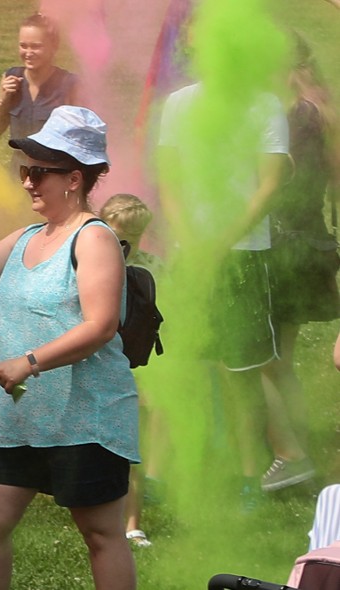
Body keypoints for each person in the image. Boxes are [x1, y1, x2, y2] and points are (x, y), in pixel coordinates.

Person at [0, 105, 139, 590]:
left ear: (74, 178)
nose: (27, 182)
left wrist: (30, 361)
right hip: (22, 420)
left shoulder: (94, 238)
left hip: (86, 417)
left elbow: (102, 325)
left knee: (101, 534)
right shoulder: (25, 238)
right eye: (25, 170)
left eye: (39, 172)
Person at [157, 34, 290, 507]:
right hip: (189, 255)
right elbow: (168, 179)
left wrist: (222, 241)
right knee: (180, 367)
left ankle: (249, 476)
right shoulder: (178, 104)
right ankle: (178, 472)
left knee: (242, 373)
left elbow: (270, 184)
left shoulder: (265, 105)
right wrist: (192, 241)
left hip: (245, 256)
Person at [259, 30, 339, 492]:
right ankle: (298, 447)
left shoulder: (284, 113)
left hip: (282, 247)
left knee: (264, 359)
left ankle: (292, 454)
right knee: (280, 359)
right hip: (311, 245)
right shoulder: (319, 109)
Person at [99, 193, 165, 549]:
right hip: (98, 366)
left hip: (138, 366)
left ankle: (132, 523)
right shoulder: (88, 263)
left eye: (136, 236)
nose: (128, 243)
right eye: (120, 235)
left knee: (131, 446)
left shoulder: (153, 267)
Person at [0, 13, 80, 171]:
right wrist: (3, 99)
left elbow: (81, 140)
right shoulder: (11, 78)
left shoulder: (69, 84)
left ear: (54, 46)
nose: (28, 53)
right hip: (18, 173)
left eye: (36, 46)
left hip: (53, 174)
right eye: (23, 45)